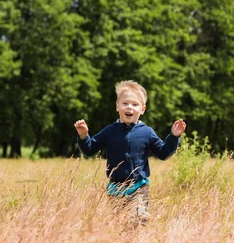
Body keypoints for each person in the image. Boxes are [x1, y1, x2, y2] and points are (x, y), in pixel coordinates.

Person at [74, 80, 187, 226]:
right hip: (115, 188)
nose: (130, 107)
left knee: (137, 221)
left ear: (143, 109)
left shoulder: (147, 132)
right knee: (121, 225)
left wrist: (174, 136)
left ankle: (140, 229)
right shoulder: (110, 131)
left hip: (138, 186)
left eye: (135, 104)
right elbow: (89, 150)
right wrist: (84, 136)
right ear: (117, 106)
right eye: (125, 103)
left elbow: (164, 153)